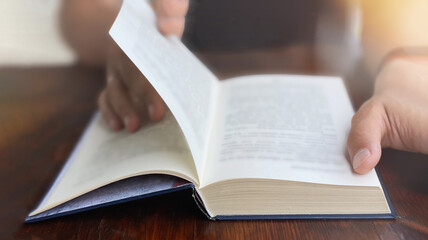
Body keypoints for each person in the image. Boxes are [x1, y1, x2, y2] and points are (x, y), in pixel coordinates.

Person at [60, 0, 428, 175]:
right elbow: (77, 14)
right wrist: (128, 32)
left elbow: (391, 12)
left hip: (312, 79)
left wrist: (404, 62)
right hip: (176, 85)